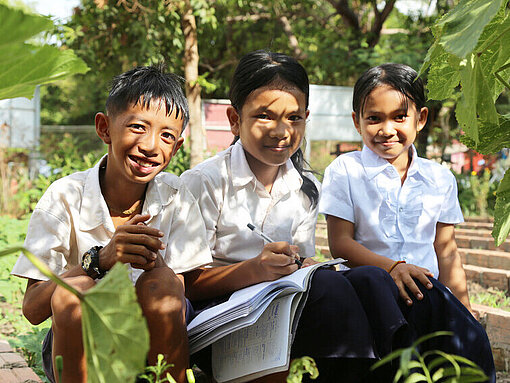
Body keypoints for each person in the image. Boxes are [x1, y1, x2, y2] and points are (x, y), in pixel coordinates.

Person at [181, 50, 416, 383]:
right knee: (330, 290)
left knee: (367, 281)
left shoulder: (306, 188)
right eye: (264, 116)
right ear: (235, 119)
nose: (282, 131)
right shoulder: (204, 182)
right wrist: (255, 270)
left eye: (294, 118)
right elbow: (187, 284)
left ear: (306, 117)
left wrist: (301, 265)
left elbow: (300, 262)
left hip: (279, 306)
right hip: (223, 315)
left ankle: (385, 371)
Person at [11, 65, 212, 383]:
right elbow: (33, 310)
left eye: (166, 136)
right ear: (105, 128)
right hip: (82, 351)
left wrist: (152, 260)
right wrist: (98, 261)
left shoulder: (177, 196)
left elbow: (177, 294)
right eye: (137, 127)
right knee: (74, 292)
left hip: (152, 347)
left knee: (162, 283)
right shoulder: (65, 196)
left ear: (177, 147)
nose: (150, 146)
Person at [320, 63, 495, 380]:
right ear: (357, 123)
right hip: (368, 296)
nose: (386, 129)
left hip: (426, 295)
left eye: (399, 117)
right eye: (373, 118)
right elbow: (340, 243)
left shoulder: (439, 177)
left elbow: (446, 248)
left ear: (421, 119)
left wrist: (463, 306)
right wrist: (392, 267)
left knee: (470, 354)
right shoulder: (344, 170)